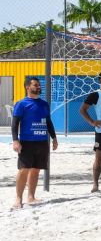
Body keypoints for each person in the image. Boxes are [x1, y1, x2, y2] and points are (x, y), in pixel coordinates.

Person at [11, 77, 58, 209]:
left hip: (42, 142)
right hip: (27, 142)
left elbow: (48, 122)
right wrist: (15, 140)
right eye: (35, 85)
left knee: (36, 170)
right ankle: (18, 199)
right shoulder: (21, 104)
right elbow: (15, 123)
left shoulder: (44, 104)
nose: (38, 87)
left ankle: (31, 197)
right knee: (24, 169)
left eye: (39, 85)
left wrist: (54, 138)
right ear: (27, 87)